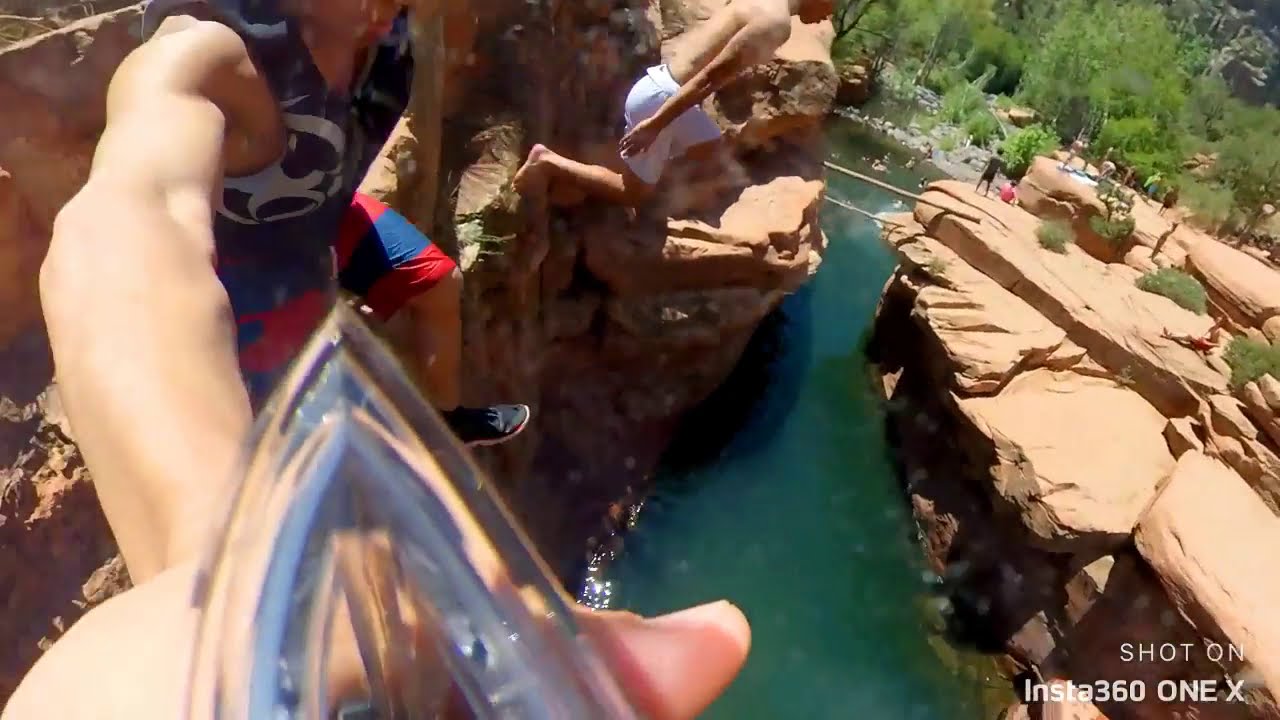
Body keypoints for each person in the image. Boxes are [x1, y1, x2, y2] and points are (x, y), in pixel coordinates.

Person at [14, 2, 750, 717]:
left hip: (327, 222)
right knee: (288, 417)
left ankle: (441, 421)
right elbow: (127, 230)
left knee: (437, 282)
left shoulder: (385, 30)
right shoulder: (208, 52)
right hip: (251, 271)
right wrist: (229, 563)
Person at [511, 0, 833, 205]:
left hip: (661, 85)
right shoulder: (776, 24)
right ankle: (548, 162)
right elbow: (709, 79)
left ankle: (645, 166)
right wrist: (654, 126)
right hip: (660, 98)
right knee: (633, 194)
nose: (831, 12)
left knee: (712, 146)